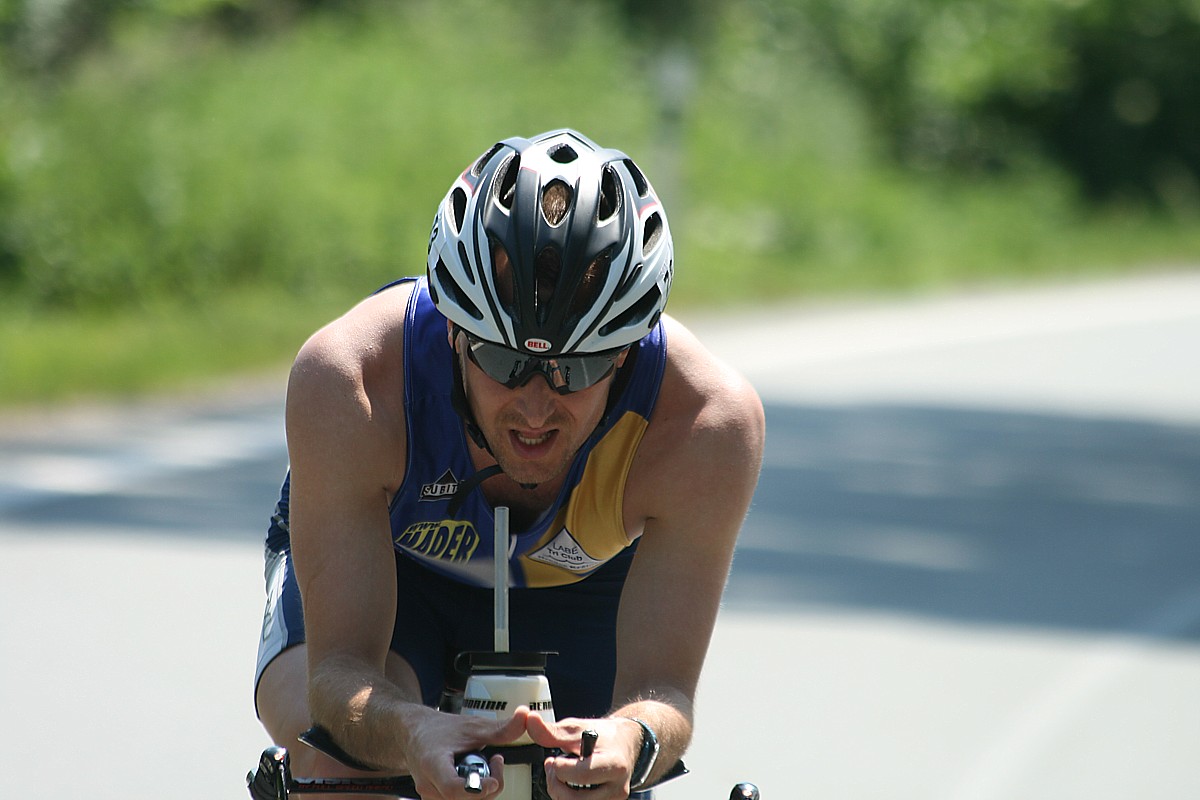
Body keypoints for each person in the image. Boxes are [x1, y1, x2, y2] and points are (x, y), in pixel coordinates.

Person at [253, 128, 765, 799]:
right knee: (331, 762)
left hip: (582, 589)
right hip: (398, 568)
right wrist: (409, 731)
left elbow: (664, 693)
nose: (535, 408)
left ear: (625, 353)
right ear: (453, 331)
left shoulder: (705, 424)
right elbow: (338, 676)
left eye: (575, 370)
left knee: (589, 779)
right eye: (501, 361)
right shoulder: (352, 382)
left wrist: (632, 738)